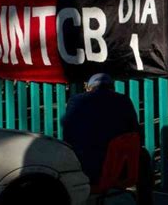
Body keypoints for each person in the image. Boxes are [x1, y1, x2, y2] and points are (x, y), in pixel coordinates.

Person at [61, 73, 153, 205]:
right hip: (118, 169)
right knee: (143, 156)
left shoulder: (75, 101)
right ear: (112, 87)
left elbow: (67, 135)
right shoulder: (124, 101)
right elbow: (137, 135)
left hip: (83, 170)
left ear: (88, 87)